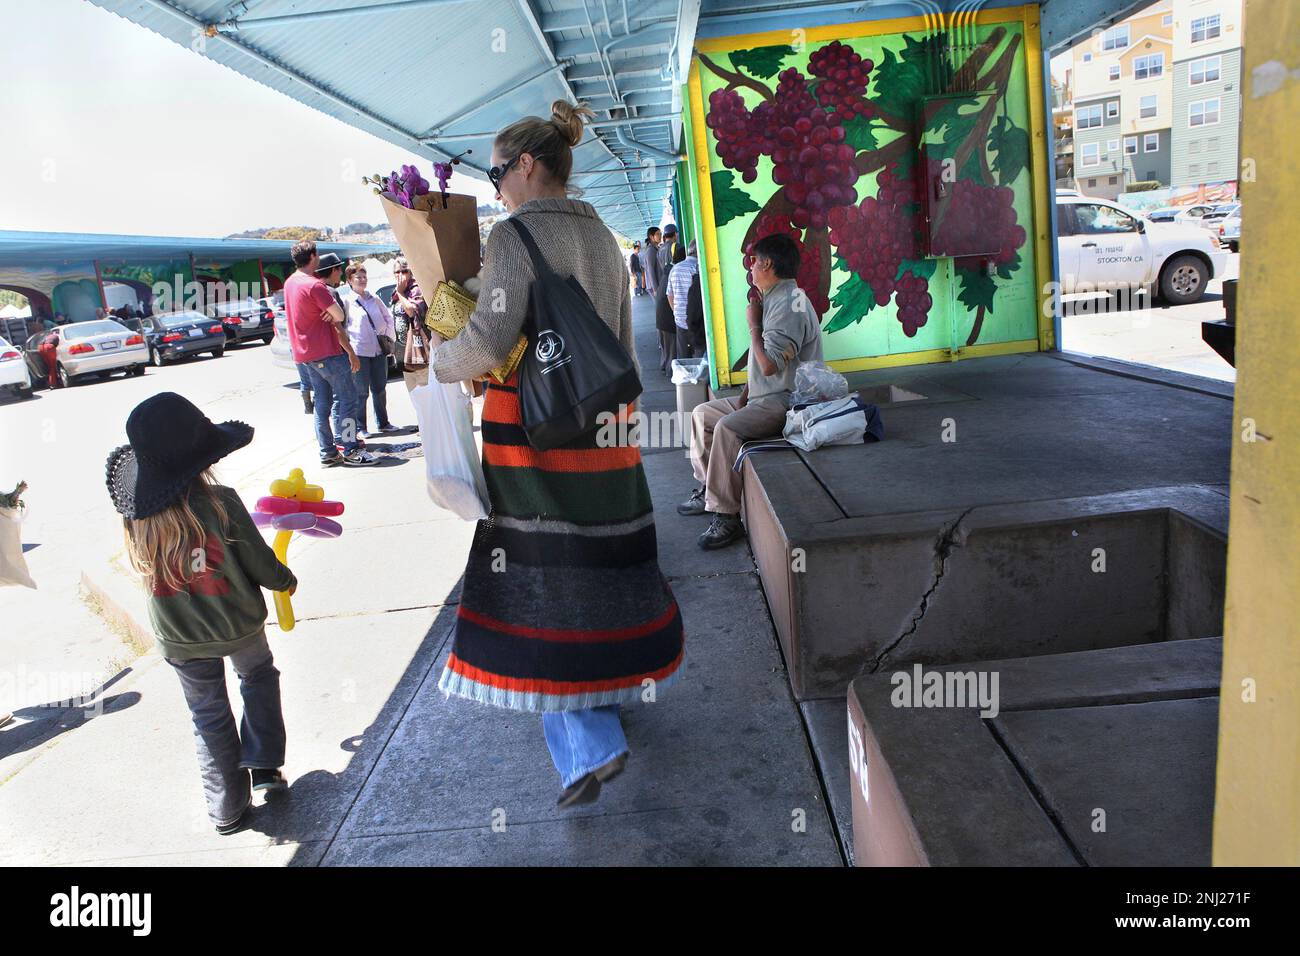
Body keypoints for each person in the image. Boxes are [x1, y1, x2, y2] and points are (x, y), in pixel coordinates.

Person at [431, 99, 685, 809]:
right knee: (602, 561)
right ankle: (599, 718)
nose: (496, 185)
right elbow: (611, 336)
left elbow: (487, 340)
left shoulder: (516, 234)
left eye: (497, 170)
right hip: (605, 422)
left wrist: (436, 360)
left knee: (542, 575)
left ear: (528, 165)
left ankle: (589, 743)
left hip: (534, 435)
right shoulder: (603, 232)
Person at [107, 392, 298, 835]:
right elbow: (257, 560)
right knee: (258, 677)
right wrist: (283, 580)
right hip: (238, 624)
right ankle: (265, 764)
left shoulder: (137, 518)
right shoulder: (222, 502)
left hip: (178, 636)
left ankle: (226, 808)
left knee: (207, 713)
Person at [679, 233, 824, 550]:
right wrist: (744, 396)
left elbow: (770, 365)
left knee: (726, 429)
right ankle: (708, 487)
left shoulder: (790, 303)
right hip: (763, 397)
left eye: (754, 262)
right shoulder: (774, 298)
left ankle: (726, 516)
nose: (751, 269)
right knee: (703, 414)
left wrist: (753, 326)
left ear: (768, 263)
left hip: (787, 401)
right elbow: (762, 371)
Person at [283, 241, 376, 467]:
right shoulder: (314, 285)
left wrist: (329, 314)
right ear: (313, 256)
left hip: (305, 355)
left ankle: (328, 451)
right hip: (325, 351)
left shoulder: (290, 283)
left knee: (322, 403)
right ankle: (350, 448)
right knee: (348, 399)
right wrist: (331, 313)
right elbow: (339, 316)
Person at [342, 262, 399, 436]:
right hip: (359, 352)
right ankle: (360, 428)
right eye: (358, 277)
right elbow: (343, 327)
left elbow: (388, 318)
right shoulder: (347, 301)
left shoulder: (374, 298)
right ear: (350, 280)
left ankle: (383, 423)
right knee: (360, 392)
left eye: (364, 276)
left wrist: (387, 335)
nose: (362, 280)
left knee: (380, 389)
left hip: (378, 350)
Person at [389, 258, 430, 391]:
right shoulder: (395, 293)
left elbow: (412, 311)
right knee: (414, 394)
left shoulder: (416, 289)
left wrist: (400, 293)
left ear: (411, 272)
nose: (400, 274)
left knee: (425, 392)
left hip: (419, 348)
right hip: (404, 352)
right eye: (397, 272)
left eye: (404, 271)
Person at [667, 239, 702, 359]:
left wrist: (676, 311)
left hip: (680, 318)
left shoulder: (675, 268)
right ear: (699, 252)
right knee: (699, 354)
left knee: (683, 355)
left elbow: (669, 295)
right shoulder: (697, 268)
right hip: (696, 320)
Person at [639, 226, 662, 296]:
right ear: (651, 237)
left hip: (656, 284)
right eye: (658, 234)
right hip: (654, 286)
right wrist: (655, 288)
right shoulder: (651, 250)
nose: (660, 236)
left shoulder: (655, 248)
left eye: (660, 234)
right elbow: (650, 269)